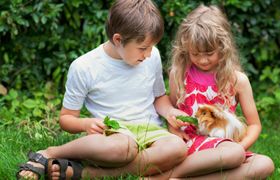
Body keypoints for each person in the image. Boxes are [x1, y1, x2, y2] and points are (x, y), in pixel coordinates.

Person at [17, 0, 189, 179]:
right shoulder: (84, 67)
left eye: (151, 47)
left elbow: (159, 97)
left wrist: (169, 112)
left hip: (150, 130)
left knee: (177, 148)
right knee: (124, 148)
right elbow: (66, 119)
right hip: (115, 134)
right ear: (118, 39)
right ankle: (51, 153)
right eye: (143, 48)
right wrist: (86, 124)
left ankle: (85, 174)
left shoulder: (152, 56)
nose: (148, 54)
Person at [149, 4, 275, 179]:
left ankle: (175, 177)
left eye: (209, 53)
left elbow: (255, 124)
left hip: (225, 147)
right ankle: (168, 175)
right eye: (195, 53)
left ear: (223, 47)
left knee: (264, 164)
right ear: (186, 49)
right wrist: (174, 128)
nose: (202, 59)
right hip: (191, 144)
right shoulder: (179, 75)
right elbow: (173, 112)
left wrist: (241, 146)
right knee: (233, 157)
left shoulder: (237, 80)